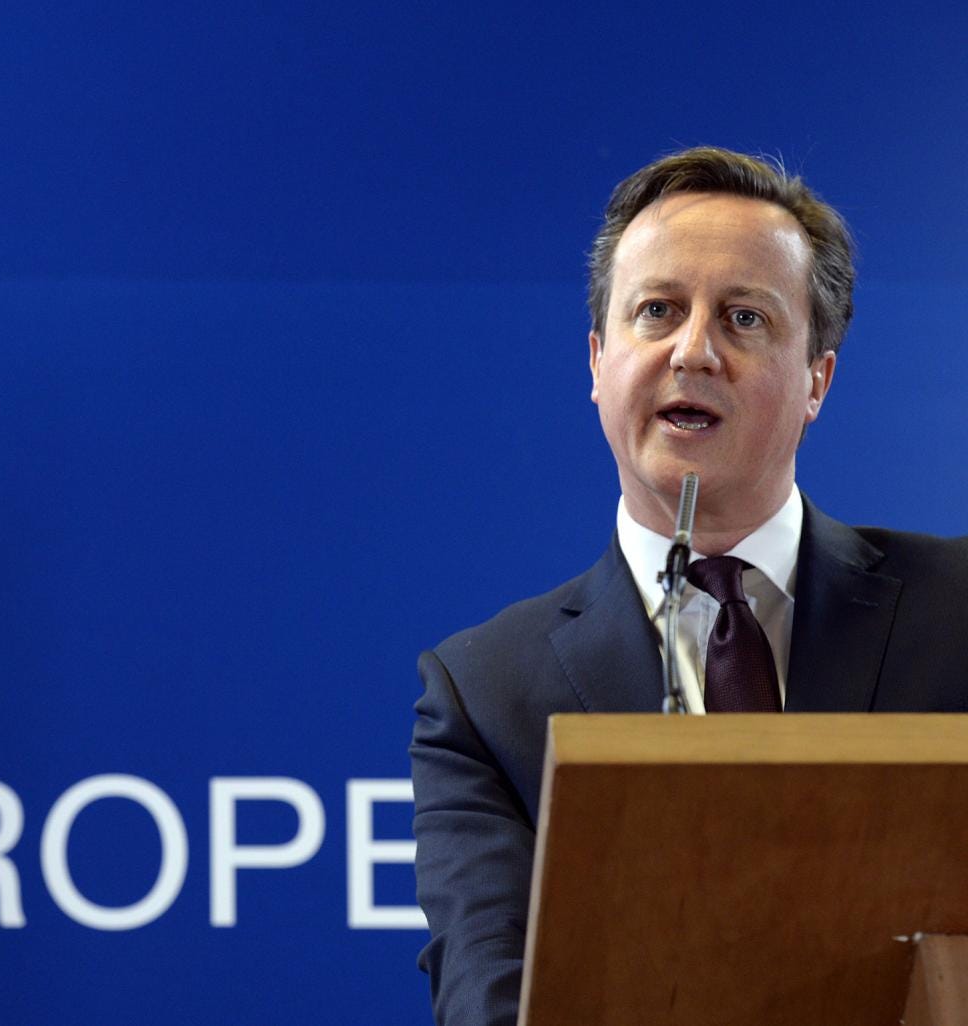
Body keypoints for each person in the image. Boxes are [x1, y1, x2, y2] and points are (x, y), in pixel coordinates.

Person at [409, 146, 968, 1025]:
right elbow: (492, 996)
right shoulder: (485, 695)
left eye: (744, 318)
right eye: (658, 311)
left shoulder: (955, 612)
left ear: (817, 380)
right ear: (599, 362)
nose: (694, 351)